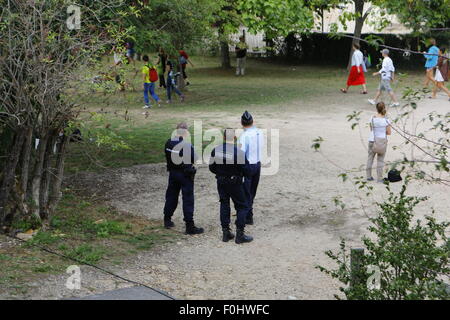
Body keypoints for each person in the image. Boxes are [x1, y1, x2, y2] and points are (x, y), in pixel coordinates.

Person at [209, 129, 253, 244]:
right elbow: (247, 170)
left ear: (223, 138)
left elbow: (212, 168)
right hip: (235, 183)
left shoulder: (215, 150)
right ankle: (240, 234)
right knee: (242, 206)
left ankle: (225, 233)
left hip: (221, 181)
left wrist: (221, 173)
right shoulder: (238, 152)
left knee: (224, 204)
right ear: (234, 138)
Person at [163, 123, 204, 235]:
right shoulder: (186, 145)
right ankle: (189, 226)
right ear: (185, 132)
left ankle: (167, 219)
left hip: (173, 173)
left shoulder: (168, 143)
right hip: (185, 175)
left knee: (171, 196)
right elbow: (195, 158)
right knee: (188, 199)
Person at [238, 111, 264, 225]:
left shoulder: (244, 136)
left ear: (242, 123)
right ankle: (249, 214)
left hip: (248, 165)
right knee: (252, 191)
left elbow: (241, 154)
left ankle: (247, 216)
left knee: (245, 192)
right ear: (252, 121)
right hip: (257, 164)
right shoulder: (259, 132)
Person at [367, 102, 391, 183]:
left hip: (372, 140)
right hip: (381, 141)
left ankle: (368, 176)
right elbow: (389, 132)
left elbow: (371, 129)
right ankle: (379, 178)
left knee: (370, 158)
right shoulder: (386, 120)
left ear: (376, 108)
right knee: (380, 160)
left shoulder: (372, 118)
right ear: (384, 108)